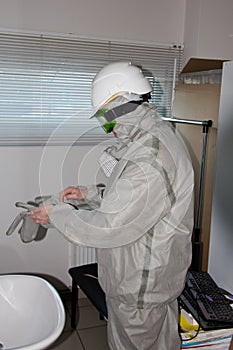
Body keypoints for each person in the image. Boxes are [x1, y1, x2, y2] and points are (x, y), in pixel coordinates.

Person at [30, 61, 194, 350]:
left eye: (107, 120)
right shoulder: (150, 140)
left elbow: (111, 226)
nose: (108, 130)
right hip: (152, 279)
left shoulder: (151, 158)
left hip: (140, 288)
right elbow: (135, 201)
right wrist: (89, 194)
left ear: (123, 108)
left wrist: (56, 214)